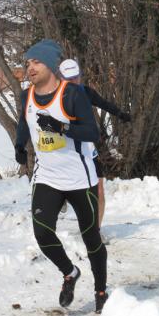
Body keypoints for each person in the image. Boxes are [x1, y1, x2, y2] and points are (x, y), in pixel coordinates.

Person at [14, 40, 108, 314]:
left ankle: (101, 291)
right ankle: (69, 272)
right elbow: (24, 122)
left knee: (91, 237)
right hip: (48, 176)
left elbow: (93, 133)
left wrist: (63, 127)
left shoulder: (72, 94)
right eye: (28, 63)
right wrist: (20, 146)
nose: (30, 68)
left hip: (80, 177)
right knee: (42, 232)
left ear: (51, 65)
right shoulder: (26, 97)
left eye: (36, 62)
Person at [59, 59, 131, 230]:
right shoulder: (53, 95)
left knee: (99, 189)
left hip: (87, 149)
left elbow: (104, 104)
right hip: (64, 150)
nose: (73, 82)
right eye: (69, 79)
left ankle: (95, 232)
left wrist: (121, 114)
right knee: (66, 187)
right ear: (60, 78)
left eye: (76, 77)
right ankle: (61, 196)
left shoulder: (85, 92)